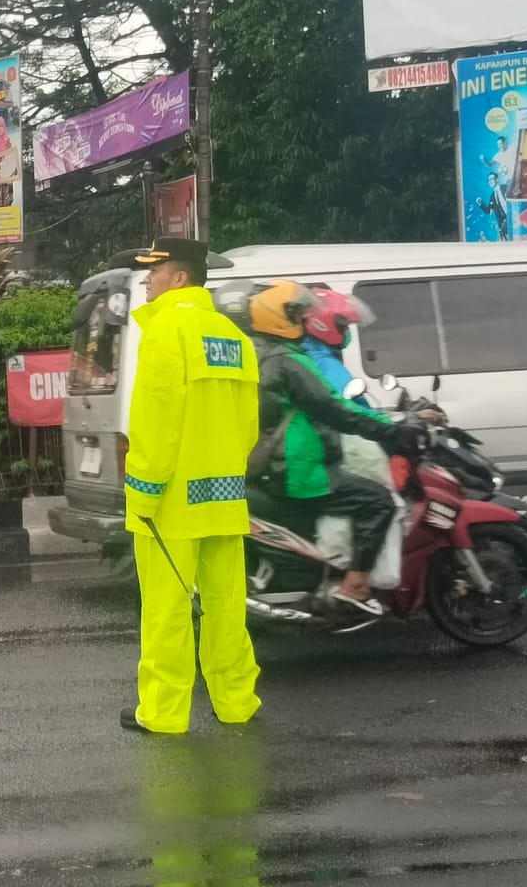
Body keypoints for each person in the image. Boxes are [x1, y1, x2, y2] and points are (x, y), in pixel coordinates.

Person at [120, 238, 262, 735]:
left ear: (179, 278)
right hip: (224, 494)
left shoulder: (165, 331)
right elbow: (249, 425)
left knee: (167, 608)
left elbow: (156, 423)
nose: (147, 280)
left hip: (172, 501)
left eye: (155, 272)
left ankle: (163, 712)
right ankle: (236, 701)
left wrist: (142, 493)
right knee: (226, 606)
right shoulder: (233, 336)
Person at [240, 281, 419, 618]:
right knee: (378, 501)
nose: (304, 319)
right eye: (297, 314)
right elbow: (337, 409)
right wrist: (391, 430)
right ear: (280, 318)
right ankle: (355, 586)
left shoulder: (258, 353)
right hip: (297, 469)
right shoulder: (290, 362)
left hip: (274, 462)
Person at [0, 115, 18, 207]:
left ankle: (8, 211)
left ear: (4, 127)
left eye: (1, 126)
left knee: (7, 197)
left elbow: (12, 158)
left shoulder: (7, 141)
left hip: (7, 173)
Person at [476, 172, 510, 241]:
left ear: (497, 180)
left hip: (512, 216)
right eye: (488, 180)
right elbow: (488, 211)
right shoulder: (492, 196)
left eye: (491, 179)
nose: (490, 181)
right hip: (504, 223)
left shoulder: (505, 187)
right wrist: (480, 204)